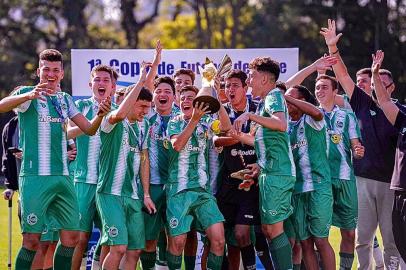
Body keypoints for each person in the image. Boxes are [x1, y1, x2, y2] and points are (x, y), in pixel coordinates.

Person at [0, 49, 110, 269]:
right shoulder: (27, 94)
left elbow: (88, 129)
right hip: (35, 178)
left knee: (71, 238)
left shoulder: (64, 99)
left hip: (63, 178)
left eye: (55, 70)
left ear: (61, 73)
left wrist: (100, 114)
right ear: (39, 70)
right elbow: (2, 105)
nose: (50, 74)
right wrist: (27, 96)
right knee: (32, 241)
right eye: (46, 69)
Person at [320, 19, 403, 269]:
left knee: (391, 240)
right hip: (362, 180)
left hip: (391, 184)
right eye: (372, 81)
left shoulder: (399, 113)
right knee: (362, 239)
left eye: (381, 82)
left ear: (391, 87)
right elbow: (343, 76)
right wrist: (333, 49)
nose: (375, 86)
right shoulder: (361, 103)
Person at [233, 56, 296, 269]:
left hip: (278, 173)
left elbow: (281, 124)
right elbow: (258, 140)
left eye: (252, 76)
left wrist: (249, 115)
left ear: (265, 79)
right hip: (270, 172)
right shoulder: (264, 104)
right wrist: (236, 136)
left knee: (274, 230)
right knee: (269, 230)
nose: (249, 81)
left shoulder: (274, 96)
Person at [95, 62, 156, 269]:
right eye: (142, 106)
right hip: (110, 193)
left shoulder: (144, 125)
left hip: (132, 195)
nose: (145, 112)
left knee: (134, 250)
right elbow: (120, 114)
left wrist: (146, 194)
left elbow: (144, 159)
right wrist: (140, 80)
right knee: (118, 248)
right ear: (131, 102)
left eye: (149, 108)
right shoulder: (111, 118)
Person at [165, 85, 232, 270]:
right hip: (178, 191)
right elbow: (177, 145)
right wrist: (194, 119)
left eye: (190, 98)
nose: (186, 100)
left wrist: (216, 101)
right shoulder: (174, 122)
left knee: (219, 240)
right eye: (183, 97)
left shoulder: (208, 122)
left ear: (198, 102)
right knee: (177, 243)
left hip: (203, 192)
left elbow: (226, 128)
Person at [68, 64, 118, 270]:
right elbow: (67, 133)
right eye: (97, 79)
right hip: (83, 181)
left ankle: (97, 267)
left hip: (109, 183)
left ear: (113, 87)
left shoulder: (119, 111)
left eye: (106, 80)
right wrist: (93, 121)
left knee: (109, 238)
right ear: (90, 84)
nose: (101, 83)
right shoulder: (79, 106)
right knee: (79, 237)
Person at [315, 75, 365, 270]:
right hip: (321, 182)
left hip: (345, 179)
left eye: (325, 87)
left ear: (335, 92)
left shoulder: (347, 116)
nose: (320, 91)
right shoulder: (309, 115)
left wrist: (359, 151)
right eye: (317, 88)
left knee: (350, 233)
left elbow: (356, 147)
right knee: (320, 234)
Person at [283, 85, 335, 270]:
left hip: (319, 187)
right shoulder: (286, 125)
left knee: (320, 240)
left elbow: (317, 112)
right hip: (297, 190)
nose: (286, 102)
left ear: (302, 101)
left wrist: (287, 97)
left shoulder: (313, 119)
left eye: (290, 99)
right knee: (304, 243)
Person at [214, 69, 261, 270]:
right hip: (226, 184)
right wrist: (240, 136)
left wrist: (259, 164)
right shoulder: (221, 110)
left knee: (242, 235)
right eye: (226, 85)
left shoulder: (258, 111)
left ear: (245, 87)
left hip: (251, 184)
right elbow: (216, 140)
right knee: (219, 238)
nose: (230, 89)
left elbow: (266, 143)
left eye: (235, 85)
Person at [370, 50, 406, 265]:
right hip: (400, 191)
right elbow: (384, 101)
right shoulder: (403, 118)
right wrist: (375, 74)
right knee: (400, 241)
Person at [140, 76, 176, 270]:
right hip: (152, 186)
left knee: (175, 239)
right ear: (153, 96)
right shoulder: (145, 118)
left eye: (167, 92)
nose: (162, 95)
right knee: (149, 240)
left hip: (175, 187)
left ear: (174, 97)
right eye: (158, 91)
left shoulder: (181, 118)